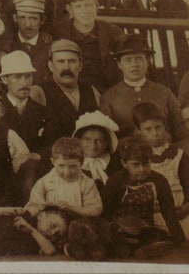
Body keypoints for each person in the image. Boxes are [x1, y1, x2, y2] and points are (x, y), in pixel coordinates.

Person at [102, 136, 186, 258]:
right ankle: (125, 248)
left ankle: (140, 249)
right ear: (124, 163)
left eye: (146, 163)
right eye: (135, 165)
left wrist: (180, 240)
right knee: (113, 238)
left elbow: (169, 212)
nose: (142, 169)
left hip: (144, 228)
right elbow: (106, 212)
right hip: (119, 227)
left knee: (160, 235)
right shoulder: (115, 181)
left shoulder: (159, 181)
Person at [100, 34, 186, 140]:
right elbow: (108, 136)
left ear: (147, 62)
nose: (134, 64)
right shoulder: (109, 97)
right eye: (128, 60)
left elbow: (180, 129)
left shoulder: (164, 93)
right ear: (119, 64)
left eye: (139, 59)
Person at [131, 101, 189, 235]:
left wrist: (186, 207)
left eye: (158, 127)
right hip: (150, 212)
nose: (155, 133)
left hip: (179, 212)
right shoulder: (136, 158)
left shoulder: (178, 155)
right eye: (148, 129)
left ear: (165, 127)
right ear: (139, 131)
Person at [53, 0, 123, 93]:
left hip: (105, 91)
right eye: (78, 6)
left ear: (97, 7)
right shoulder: (58, 33)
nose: (84, 11)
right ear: (70, 10)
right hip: (69, 91)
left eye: (88, 5)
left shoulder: (112, 32)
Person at [42, 39, 101, 149]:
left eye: (72, 61)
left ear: (80, 65)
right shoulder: (40, 93)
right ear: (50, 66)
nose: (66, 67)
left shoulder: (90, 90)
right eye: (60, 62)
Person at [25, 137, 103, 218]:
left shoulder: (87, 183)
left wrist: (71, 208)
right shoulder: (44, 182)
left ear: (81, 163)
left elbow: (95, 210)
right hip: (51, 223)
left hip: (77, 222)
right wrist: (44, 207)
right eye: (61, 166)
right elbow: (33, 205)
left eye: (73, 166)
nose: (67, 172)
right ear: (53, 162)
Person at [0, 50, 48, 159]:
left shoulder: (43, 112)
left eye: (28, 76)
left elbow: (51, 145)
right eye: (17, 77)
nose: (24, 83)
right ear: (4, 79)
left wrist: (36, 156)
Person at [71, 110, 122, 197]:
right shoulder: (71, 163)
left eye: (99, 141)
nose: (93, 145)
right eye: (87, 139)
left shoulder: (113, 163)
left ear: (106, 143)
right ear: (78, 140)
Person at [8, 0, 52, 84]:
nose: (28, 25)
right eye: (22, 18)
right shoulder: (8, 47)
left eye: (33, 19)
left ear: (42, 20)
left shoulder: (51, 46)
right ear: (15, 18)